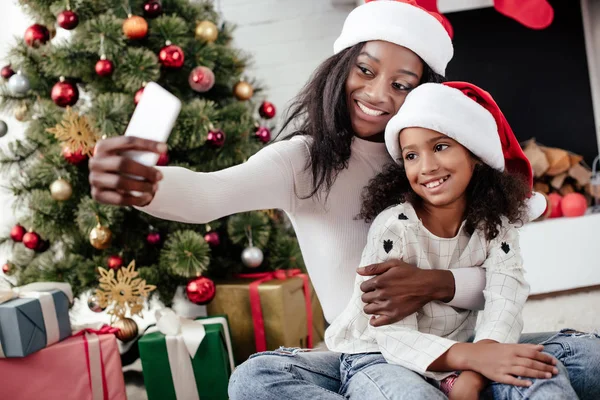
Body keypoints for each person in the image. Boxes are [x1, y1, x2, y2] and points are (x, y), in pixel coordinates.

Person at [88, 1, 600, 398]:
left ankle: (473, 377)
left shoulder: (439, 160)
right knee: (257, 380)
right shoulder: (302, 162)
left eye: (404, 84)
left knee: (588, 356)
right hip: (372, 350)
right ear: (339, 68)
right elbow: (209, 193)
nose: (379, 94)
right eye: (366, 70)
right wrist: (148, 185)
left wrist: (433, 285)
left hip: (469, 338)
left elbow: (504, 278)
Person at [325, 81, 580, 400]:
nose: (427, 167)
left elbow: (506, 294)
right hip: (378, 354)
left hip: (463, 350)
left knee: (558, 371)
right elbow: (391, 335)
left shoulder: (495, 225)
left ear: (474, 153)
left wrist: (479, 365)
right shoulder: (394, 229)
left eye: (440, 147)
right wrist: (473, 360)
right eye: (412, 155)